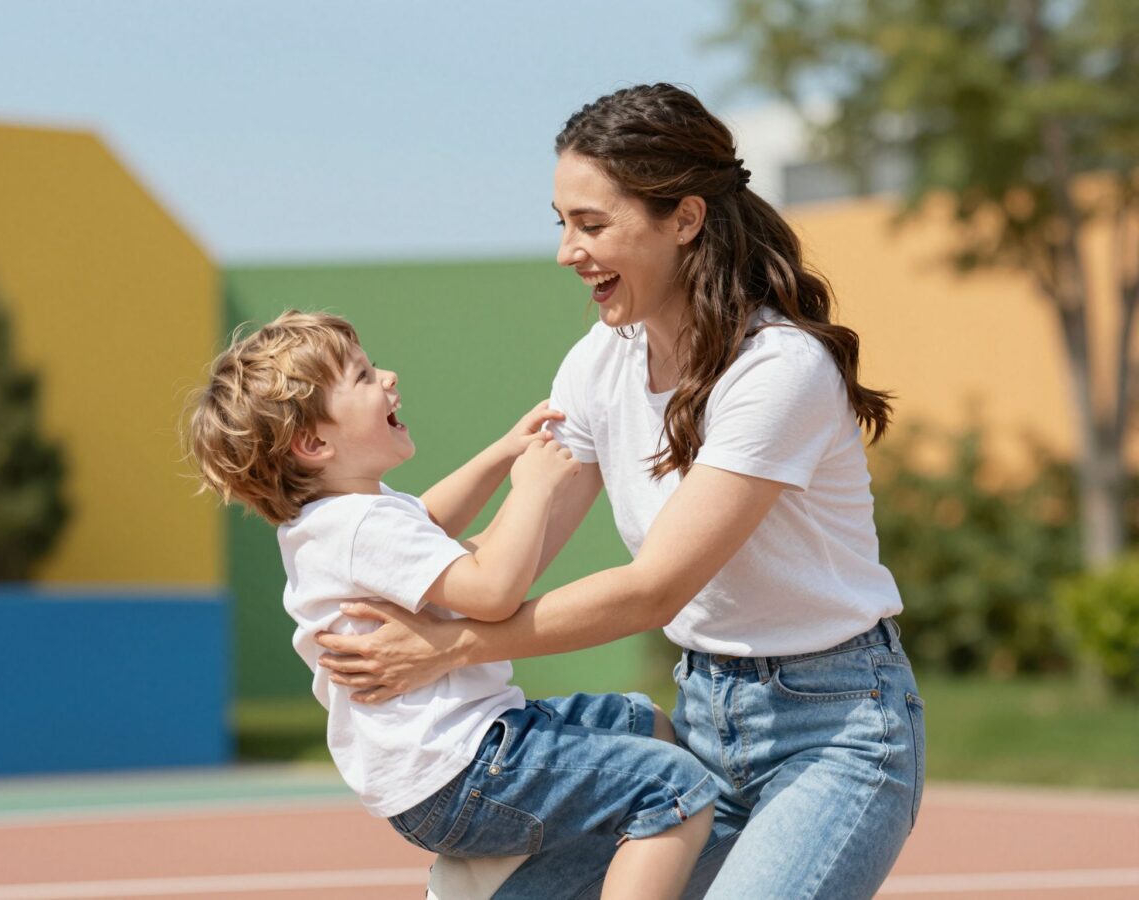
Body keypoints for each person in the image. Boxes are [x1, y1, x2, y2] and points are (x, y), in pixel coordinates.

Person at [314, 84, 927, 900]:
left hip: (835, 732)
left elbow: (654, 588)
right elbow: (510, 561)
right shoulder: (599, 364)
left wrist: (446, 649)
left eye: (592, 224)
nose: (568, 251)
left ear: (685, 218)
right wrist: (391, 600)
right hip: (700, 727)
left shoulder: (777, 371)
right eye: (561, 224)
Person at [187, 310, 717, 900]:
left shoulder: (342, 519)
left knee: (645, 724)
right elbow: (492, 593)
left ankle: (497, 886)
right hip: (464, 769)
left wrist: (501, 454)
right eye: (362, 377)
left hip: (464, 759)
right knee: (674, 790)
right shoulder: (359, 527)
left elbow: (430, 520)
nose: (387, 376)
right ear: (314, 443)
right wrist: (532, 488)